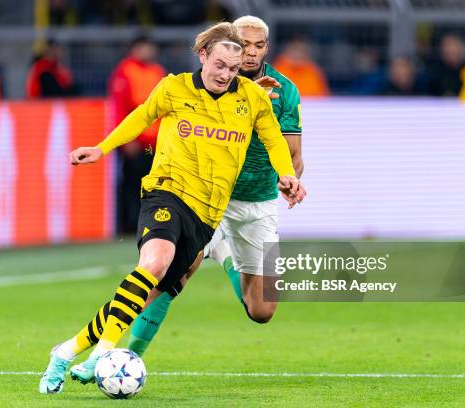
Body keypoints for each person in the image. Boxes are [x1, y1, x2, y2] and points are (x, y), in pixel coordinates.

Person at [38, 21, 306, 394]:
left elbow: (275, 140)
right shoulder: (174, 87)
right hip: (167, 193)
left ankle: (66, 351)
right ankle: (104, 354)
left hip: (206, 214)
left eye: (233, 68)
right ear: (203, 57)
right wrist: (102, 148)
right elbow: (142, 116)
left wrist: (286, 175)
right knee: (154, 263)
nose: (226, 75)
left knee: (144, 294)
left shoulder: (252, 96)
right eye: (219, 66)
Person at [122, 15, 305, 357]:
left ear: (268, 47)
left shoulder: (284, 91)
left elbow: (294, 155)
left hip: (257, 201)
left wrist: (290, 179)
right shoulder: (205, 84)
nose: (250, 52)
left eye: (259, 45)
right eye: (243, 44)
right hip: (206, 196)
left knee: (262, 311)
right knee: (173, 273)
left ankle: (225, 255)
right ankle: (122, 355)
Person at [109, 35, 166, 233]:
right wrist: (126, 139)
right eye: (144, 47)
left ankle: (153, 222)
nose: (148, 52)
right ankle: (129, 225)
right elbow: (119, 108)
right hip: (135, 140)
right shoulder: (125, 71)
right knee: (131, 183)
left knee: (156, 183)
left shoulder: (157, 71)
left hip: (155, 140)